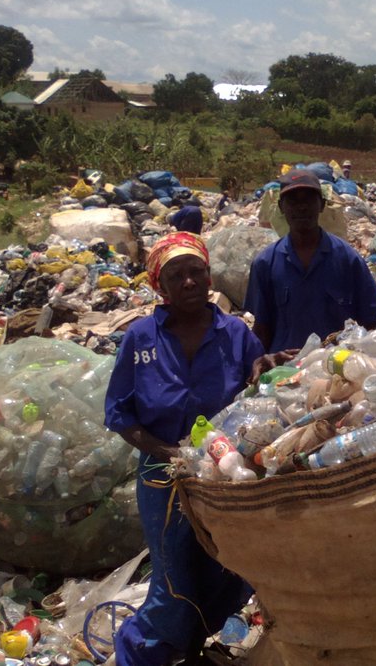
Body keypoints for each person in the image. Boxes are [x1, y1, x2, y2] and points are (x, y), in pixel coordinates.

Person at [105, 232, 264, 666]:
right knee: (173, 579)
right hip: (164, 478)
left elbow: (260, 396)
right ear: (161, 286)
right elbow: (121, 415)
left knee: (229, 571)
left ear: (209, 275)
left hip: (224, 475)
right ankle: (144, 655)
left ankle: (205, 650)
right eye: (178, 275)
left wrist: (265, 371)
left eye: (197, 271)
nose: (190, 281)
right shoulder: (140, 339)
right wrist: (169, 453)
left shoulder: (234, 334)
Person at [244, 169, 376, 352]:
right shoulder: (265, 263)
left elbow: (371, 323)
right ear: (281, 207)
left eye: (308, 199)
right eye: (293, 201)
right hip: (283, 373)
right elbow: (262, 329)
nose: (301, 207)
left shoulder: (347, 259)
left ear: (321, 204)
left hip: (333, 370)